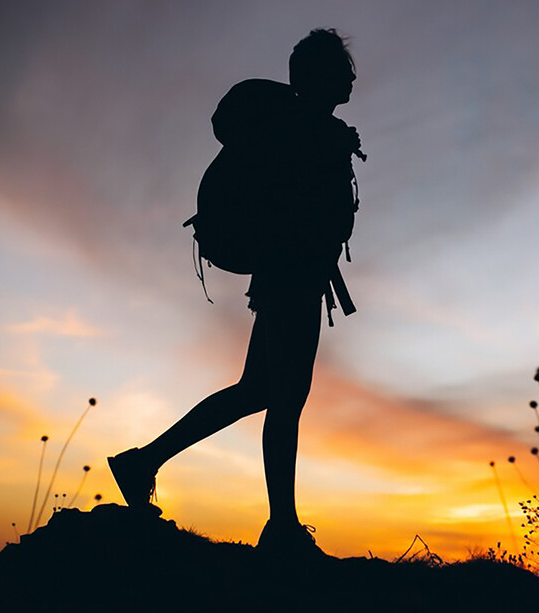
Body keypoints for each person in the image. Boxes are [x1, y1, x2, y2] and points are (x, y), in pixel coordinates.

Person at [108, 28, 361, 559]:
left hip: (287, 276)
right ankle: (283, 528)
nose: (351, 77)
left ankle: (142, 462)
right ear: (320, 75)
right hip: (292, 278)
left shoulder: (306, 128)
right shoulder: (306, 131)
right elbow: (305, 213)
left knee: (256, 391)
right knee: (285, 399)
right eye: (341, 68)